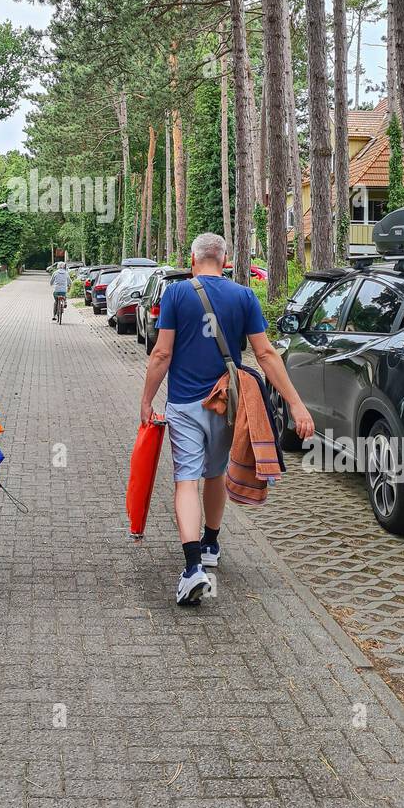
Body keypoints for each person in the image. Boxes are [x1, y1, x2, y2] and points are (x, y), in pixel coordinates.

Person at [140, 232, 315, 606]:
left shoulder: (176, 294)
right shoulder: (244, 296)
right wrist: (296, 405)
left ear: (193, 259)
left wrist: (145, 400)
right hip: (227, 402)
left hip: (185, 405)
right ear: (226, 260)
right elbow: (266, 354)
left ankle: (191, 570)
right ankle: (211, 543)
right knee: (214, 473)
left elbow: (161, 354)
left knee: (186, 480)